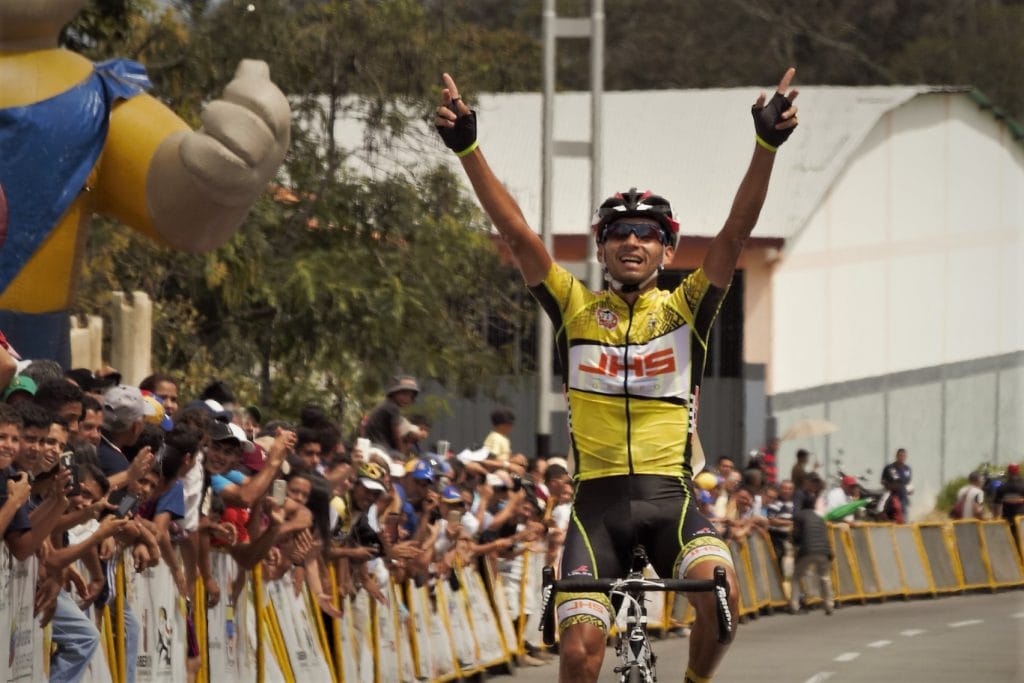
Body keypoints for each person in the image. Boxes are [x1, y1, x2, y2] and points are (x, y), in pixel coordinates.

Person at [434, 67, 799, 683]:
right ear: (602, 248)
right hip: (595, 507)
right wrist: (469, 149)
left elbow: (736, 234)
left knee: (722, 595)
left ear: (667, 249)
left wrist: (765, 148)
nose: (634, 241)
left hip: (671, 499)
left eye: (649, 234)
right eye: (620, 232)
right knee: (578, 655)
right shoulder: (575, 308)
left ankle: (694, 680)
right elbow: (518, 234)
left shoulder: (686, 309)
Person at [789, 493, 834, 615]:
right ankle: (829, 605)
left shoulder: (799, 516)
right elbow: (825, 536)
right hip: (823, 550)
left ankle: (794, 605)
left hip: (806, 550)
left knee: (796, 577)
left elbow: (796, 535)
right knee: (824, 577)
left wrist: (795, 544)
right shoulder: (820, 517)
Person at [360, 374, 419, 451]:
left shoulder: (387, 404)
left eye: (410, 396)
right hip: (380, 448)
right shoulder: (392, 408)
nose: (407, 399)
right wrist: (401, 453)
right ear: (394, 393)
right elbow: (396, 436)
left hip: (375, 446)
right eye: (404, 394)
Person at [994, 463, 1024, 550]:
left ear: (1008, 473)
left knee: (1010, 542)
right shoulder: (1023, 485)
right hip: (1022, 519)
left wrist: (996, 518)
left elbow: (996, 504)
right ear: (1018, 472)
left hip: (1007, 519)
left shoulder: (1002, 487)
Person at [881, 448, 912, 517]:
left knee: (903, 512)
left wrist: (910, 489)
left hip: (903, 496)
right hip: (891, 494)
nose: (902, 458)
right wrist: (890, 486)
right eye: (900, 456)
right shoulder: (889, 468)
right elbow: (883, 481)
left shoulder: (907, 469)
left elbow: (908, 482)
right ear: (897, 456)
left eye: (904, 456)